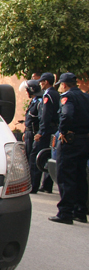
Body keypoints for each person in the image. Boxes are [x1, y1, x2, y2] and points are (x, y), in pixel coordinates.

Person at [48, 73, 89, 224]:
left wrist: (63, 131)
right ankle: (80, 211)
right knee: (80, 176)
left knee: (66, 176)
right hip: (84, 140)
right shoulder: (86, 97)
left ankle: (65, 213)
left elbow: (67, 115)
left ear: (64, 84)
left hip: (70, 141)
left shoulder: (67, 97)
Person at [32, 72, 59, 193]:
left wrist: (41, 132)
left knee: (36, 156)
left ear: (46, 82)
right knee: (49, 156)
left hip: (46, 130)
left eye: (41, 82)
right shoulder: (56, 94)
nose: (40, 84)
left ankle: (33, 185)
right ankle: (47, 185)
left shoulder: (48, 96)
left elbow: (45, 116)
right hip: (54, 129)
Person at [20, 79, 42, 179]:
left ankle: (33, 182)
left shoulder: (39, 102)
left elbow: (41, 119)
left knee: (33, 158)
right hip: (29, 131)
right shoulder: (33, 101)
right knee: (28, 156)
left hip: (34, 132)